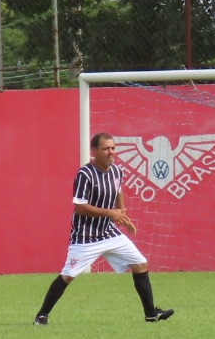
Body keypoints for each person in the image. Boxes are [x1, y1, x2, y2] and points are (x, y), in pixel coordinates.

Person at [33, 132, 175, 326]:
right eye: (106, 148)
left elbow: (118, 191)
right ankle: (41, 316)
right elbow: (80, 206)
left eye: (113, 148)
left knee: (140, 263)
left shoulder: (116, 171)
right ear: (94, 151)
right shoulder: (85, 174)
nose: (111, 152)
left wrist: (122, 214)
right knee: (68, 275)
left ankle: (150, 313)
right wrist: (110, 213)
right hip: (86, 236)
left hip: (108, 233)